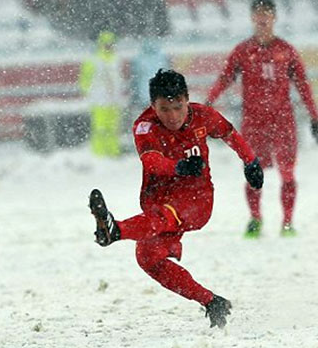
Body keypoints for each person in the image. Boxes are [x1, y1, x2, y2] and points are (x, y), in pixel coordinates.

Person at [89, 69, 264, 329]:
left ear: (187, 100)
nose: (172, 116)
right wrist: (178, 167)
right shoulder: (144, 126)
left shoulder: (203, 116)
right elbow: (150, 160)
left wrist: (250, 161)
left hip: (197, 199)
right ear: (153, 106)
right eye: (164, 109)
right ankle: (212, 302)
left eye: (178, 107)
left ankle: (116, 231)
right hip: (159, 199)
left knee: (165, 216)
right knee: (148, 258)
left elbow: (229, 133)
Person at [206, 0, 318, 238]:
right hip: (254, 122)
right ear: (251, 18)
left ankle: (287, 222)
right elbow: (225, 79)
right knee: (253, 171)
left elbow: (303, 85)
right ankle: (255, 218)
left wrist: (314, 115)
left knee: (287, 172)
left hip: (282, 121)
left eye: (266, 14)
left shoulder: (285, 50)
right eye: (258, 14)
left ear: (274, 17)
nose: (262, 18)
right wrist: (208, 104)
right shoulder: (243, 51)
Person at [78, 31, 124, 157]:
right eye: (106, 44)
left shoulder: (116, 59)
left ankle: (113, 151)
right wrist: (91, 93)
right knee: (100, 128)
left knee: (114, 128)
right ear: (101, 44)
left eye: (111, 44)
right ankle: (99, 153)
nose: (109, 46)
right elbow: (84, 80)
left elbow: (119, 79)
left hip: (114, 100)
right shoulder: (93, 60)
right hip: (99, 101)